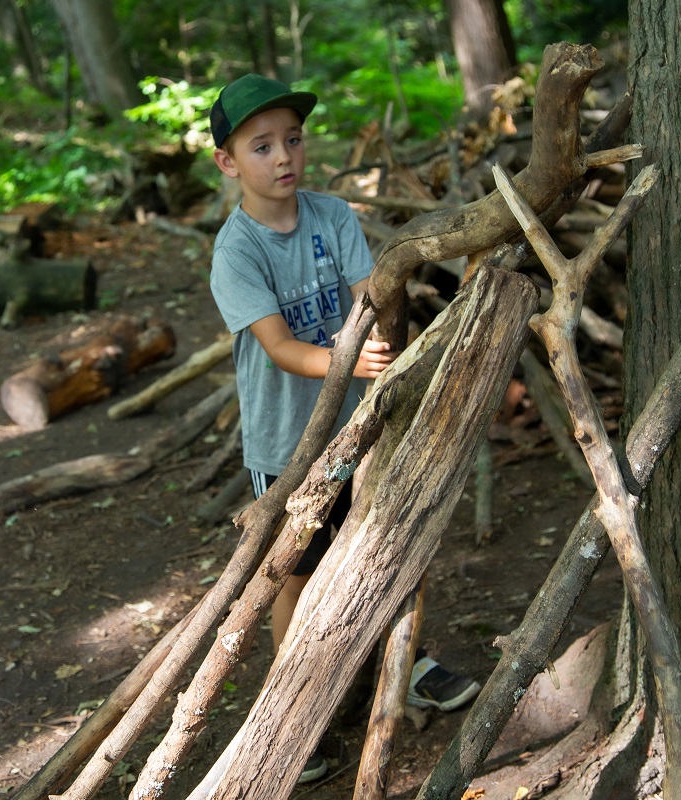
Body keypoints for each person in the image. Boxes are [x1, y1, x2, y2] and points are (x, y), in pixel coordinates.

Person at [209, 73, 480, 784]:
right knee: (295, 570)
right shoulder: (237, 250)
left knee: (382, 539)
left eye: (291, 140)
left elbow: (372, 297)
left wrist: (387, 352)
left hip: (361, 420)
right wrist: (346, 360)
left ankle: (404, 661)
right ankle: (292, 700)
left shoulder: (331, 217)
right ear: (228, 162)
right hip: (287, 443)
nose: (282, 157)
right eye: (260, 146)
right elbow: (276, 346)